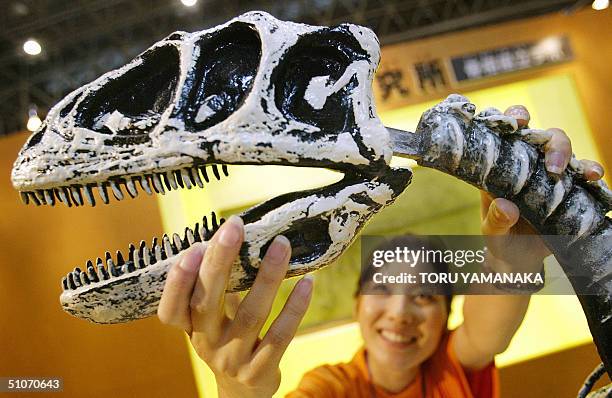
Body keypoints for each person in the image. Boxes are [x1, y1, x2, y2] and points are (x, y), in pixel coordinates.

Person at [157, 105, 605, 398]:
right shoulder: (329, 388)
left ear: (446, 318)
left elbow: (490, 334)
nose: (400, 312)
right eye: (384, 287)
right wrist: (235, 388)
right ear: (357, 304)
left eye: (425, 295)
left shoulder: (451, 370)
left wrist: (512, 262)